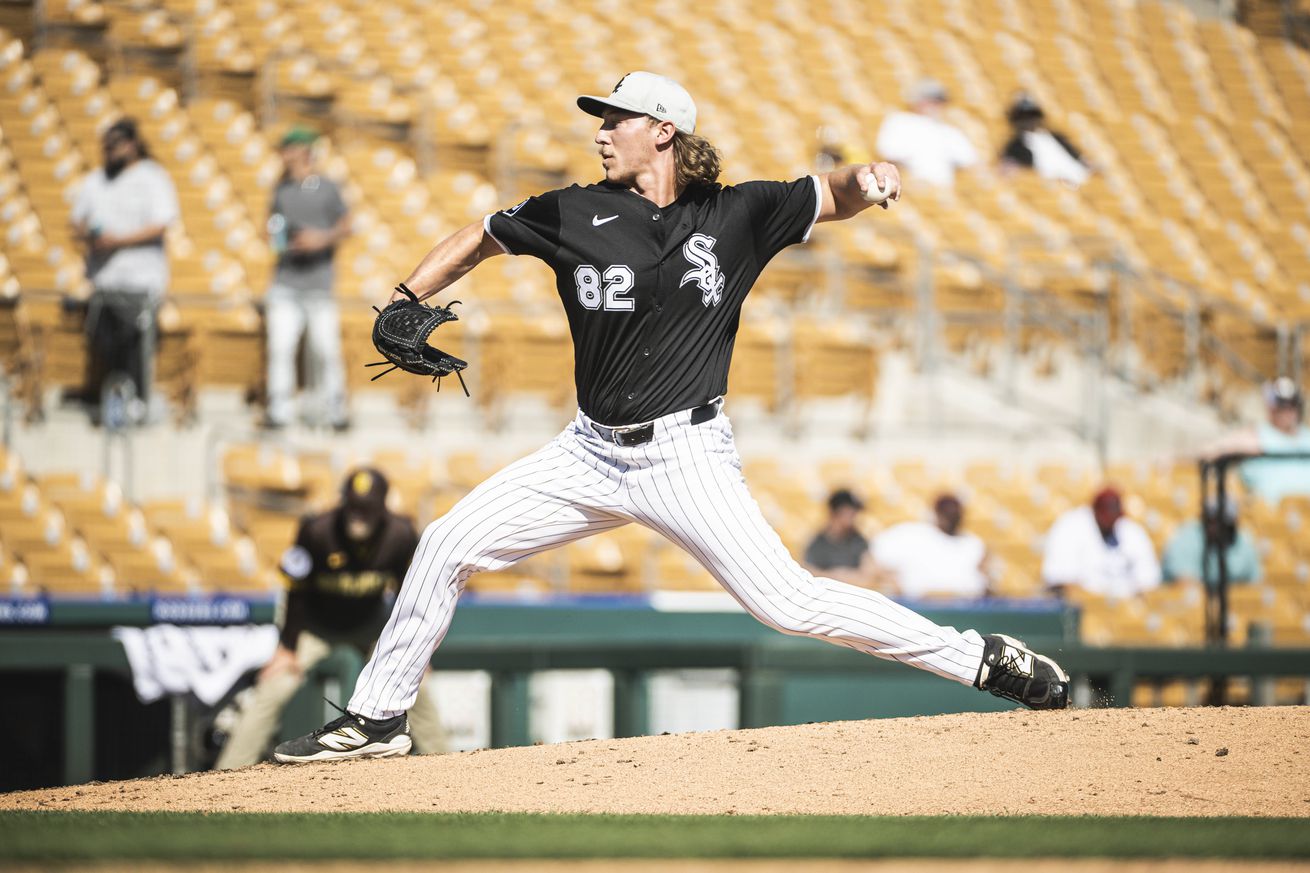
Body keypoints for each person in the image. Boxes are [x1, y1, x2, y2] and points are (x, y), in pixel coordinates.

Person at [273, 71, 1069, 763]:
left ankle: (981, 660)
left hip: (683, 455)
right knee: (446, 541)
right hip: (585, 452)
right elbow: (478, 237)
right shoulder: (571, 210)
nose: (601, 131)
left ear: (664, 131)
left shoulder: (738, 213)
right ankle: (378, 716)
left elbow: (836, 192)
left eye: (614, 118)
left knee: (788, 603)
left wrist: (873, 176)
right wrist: (410, 295)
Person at [215, 468, 446, 768]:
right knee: (274, 686)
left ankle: (443, 765)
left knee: (417, 686)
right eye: (353, 506)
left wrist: (414, 650)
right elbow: (295, 590)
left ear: (382, 508)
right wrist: (286, 648)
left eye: (367, 509)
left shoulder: (400, 533)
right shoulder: (317, 530)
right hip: (315, 626)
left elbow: (409, 592)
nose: (358, 515)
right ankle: (228, 771)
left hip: (370, 626)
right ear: (343, 502)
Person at [70, 118, 179, 425]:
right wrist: (92, 235)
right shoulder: (95, 179)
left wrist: (117, 240)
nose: (110, 150)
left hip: (139, 283)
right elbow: (76, 221)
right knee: (106, 348)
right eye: (106, 145)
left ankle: (136, 406)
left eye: (116, 144)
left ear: (132, 144)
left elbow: (161, 223)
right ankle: (113, 407)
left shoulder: (153, 177)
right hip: (105, 280)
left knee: (135, 347)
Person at [262, 127, 352, 430]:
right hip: (286, 280)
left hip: (318, 282)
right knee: (280, 348)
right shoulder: (281, 189)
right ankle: (280, 411)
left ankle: (335, 411)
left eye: (290, 148)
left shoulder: (327, 187)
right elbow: (271, 227)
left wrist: (321, 239)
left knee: (326, 350)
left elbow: (346, 226)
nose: (285, 155)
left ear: (304, 151)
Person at [1042, 488, 1161, 600]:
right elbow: (1062, 582)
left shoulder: (1130, 530)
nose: (1111, 521)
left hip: (1124, 609)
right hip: (1089, 610)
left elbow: (1149, 583)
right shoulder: (1071, 527)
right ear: (1095, 511)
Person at [1204, 378, 1310, 504]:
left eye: (1291, 405)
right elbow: (1209, 453)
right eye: (1281, 406)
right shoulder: (1256, 435)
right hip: (1271, 517)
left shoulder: (1306, 436)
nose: (1287, 412)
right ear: (1271, 407)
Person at [874, 493, 992, 599]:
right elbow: (876, 563)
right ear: (936, 513)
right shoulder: (911, 534)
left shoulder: (972, 543)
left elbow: (985, 581)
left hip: (964, 609)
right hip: (918, 607)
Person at [874, 79, 979, 189]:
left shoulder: (949, 130)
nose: (936, 106)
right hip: (909, 187)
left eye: (939, 102)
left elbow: (969, 161)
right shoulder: (899, 121)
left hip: (943, 191)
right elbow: (888, 153)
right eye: (932, 100)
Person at [1161, 498, 1262, 589]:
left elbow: (1255, 586)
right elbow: (1182, 582)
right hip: (1188, 606)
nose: (1219, 528)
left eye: (1226, 524)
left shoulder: (1242, 540)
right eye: (1214, 521)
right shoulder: (1187, 537)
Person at [999, 94, 1091, 187]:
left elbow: (1079, 162)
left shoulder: (1056, 138)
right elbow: (1007, 171)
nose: (1028, 122)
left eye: (1032, 117)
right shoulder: (1014, 147)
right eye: (1023, 118)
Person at [802, 489, 877, 587]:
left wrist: (837, 576)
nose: (855, 517)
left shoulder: (859, 540)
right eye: (850, 512)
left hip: (853, 595)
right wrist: (836, 576)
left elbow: (868, 575)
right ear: (835, 513)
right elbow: (807, 573)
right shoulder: (817, 542)